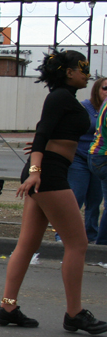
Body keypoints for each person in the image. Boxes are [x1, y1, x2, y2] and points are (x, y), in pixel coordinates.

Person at [0, 50, 107, 335]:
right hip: (50, 174)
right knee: (78, 243)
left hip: (47, 170)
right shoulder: (59, 97)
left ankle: (7, 306)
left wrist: (37, 163)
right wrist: (35, 171)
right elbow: (43, 131)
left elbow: (46, 135)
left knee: (27, 244)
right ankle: (74, 313)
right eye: (82, 67)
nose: (87, 72)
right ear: (68, 72)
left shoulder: (66, 98)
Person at [61, 77, 106, 243]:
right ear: (96, 90)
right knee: (75, 197)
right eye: (105, 88)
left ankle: (90, 236)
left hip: (99, 159)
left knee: (95, 202)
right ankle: (63, 235)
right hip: (80, 157)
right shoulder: (84, 107)